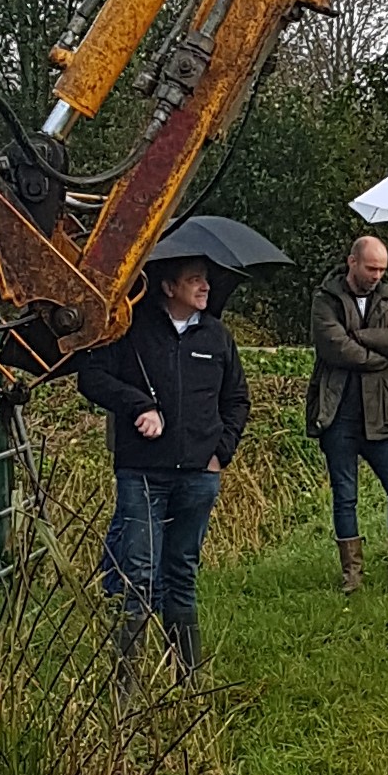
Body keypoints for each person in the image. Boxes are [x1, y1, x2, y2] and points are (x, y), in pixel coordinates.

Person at [76, 254, 250, 675]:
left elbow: (237, 400)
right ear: (168, 288)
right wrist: (140, 405)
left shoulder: (217, 337)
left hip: (198, 477)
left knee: (182, 574)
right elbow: (92, 378)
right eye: (194, 280)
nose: (204, 288)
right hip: (142, 473)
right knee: (137, 574)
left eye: (205, 280)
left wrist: (219, 452)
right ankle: (128, 686)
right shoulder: (130, 332)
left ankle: (186, 678)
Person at [306, 234, 388, 592]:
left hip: (382, 412)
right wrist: (381, 347)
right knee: (346, 495)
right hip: (338, 413)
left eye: (383, 269)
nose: (377, 275)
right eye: (371, 268)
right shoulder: (325, 299)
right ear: (352, 262)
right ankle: (352, 576)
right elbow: (335, 348)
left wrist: (361, 335)